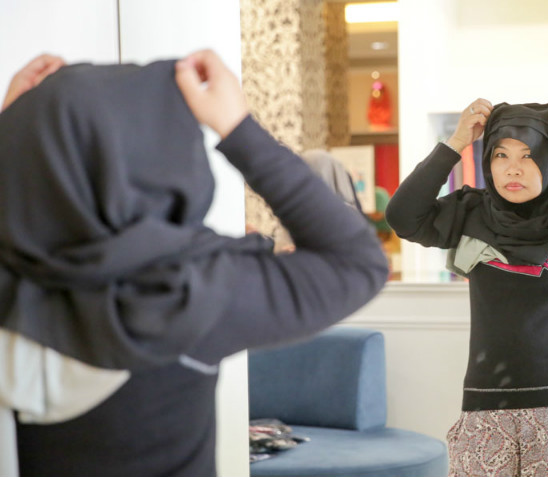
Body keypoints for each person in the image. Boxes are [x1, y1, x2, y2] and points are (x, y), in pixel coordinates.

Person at [0, 50, 388, 477]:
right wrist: (239, 130)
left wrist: (18, 134)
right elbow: (358, 262)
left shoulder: (17, 287)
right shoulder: (194, 290)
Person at [385, 96, 548, 477]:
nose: (512, 169)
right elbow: (403, 216)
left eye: (529, 155)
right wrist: (455, 143)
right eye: (501, 155)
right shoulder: (473, 212)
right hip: (487, 416)